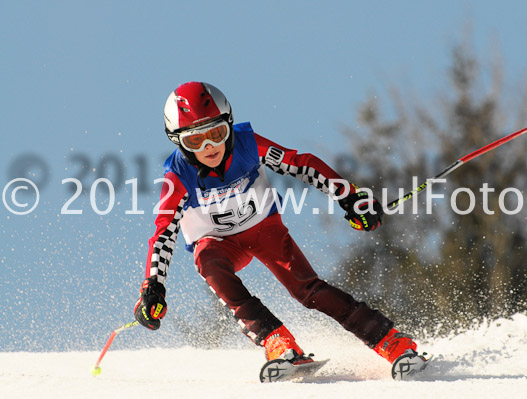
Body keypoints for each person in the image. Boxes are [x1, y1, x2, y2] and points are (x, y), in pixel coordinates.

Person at [133, 81, 423, 368]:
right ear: (178, 141)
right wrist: (153, 285)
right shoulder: (178, 178)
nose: (210, 147)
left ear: (229, 124)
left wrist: (349, 196)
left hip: (263, 229)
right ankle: (277, 342)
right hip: (219, 242)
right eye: (195, 141)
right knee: (208, 262)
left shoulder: (247, 144)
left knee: (308, 291)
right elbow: (163, 235)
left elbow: (301, 164)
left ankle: (390, 340)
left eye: (217, 133)